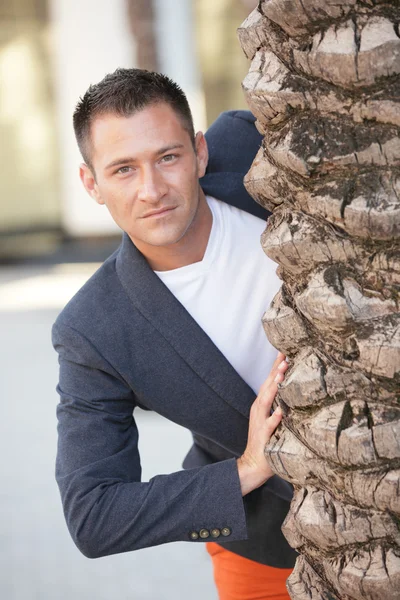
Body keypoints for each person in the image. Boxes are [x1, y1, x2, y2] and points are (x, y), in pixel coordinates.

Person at [53, 68, 297, 600]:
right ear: (91, 183)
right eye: (122, 169)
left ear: (200, 153)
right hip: (269, 543)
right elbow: (94, 515)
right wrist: (246, 469)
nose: (152, 190)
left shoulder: (255, 147)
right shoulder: (93, 331)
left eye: (168, 157)